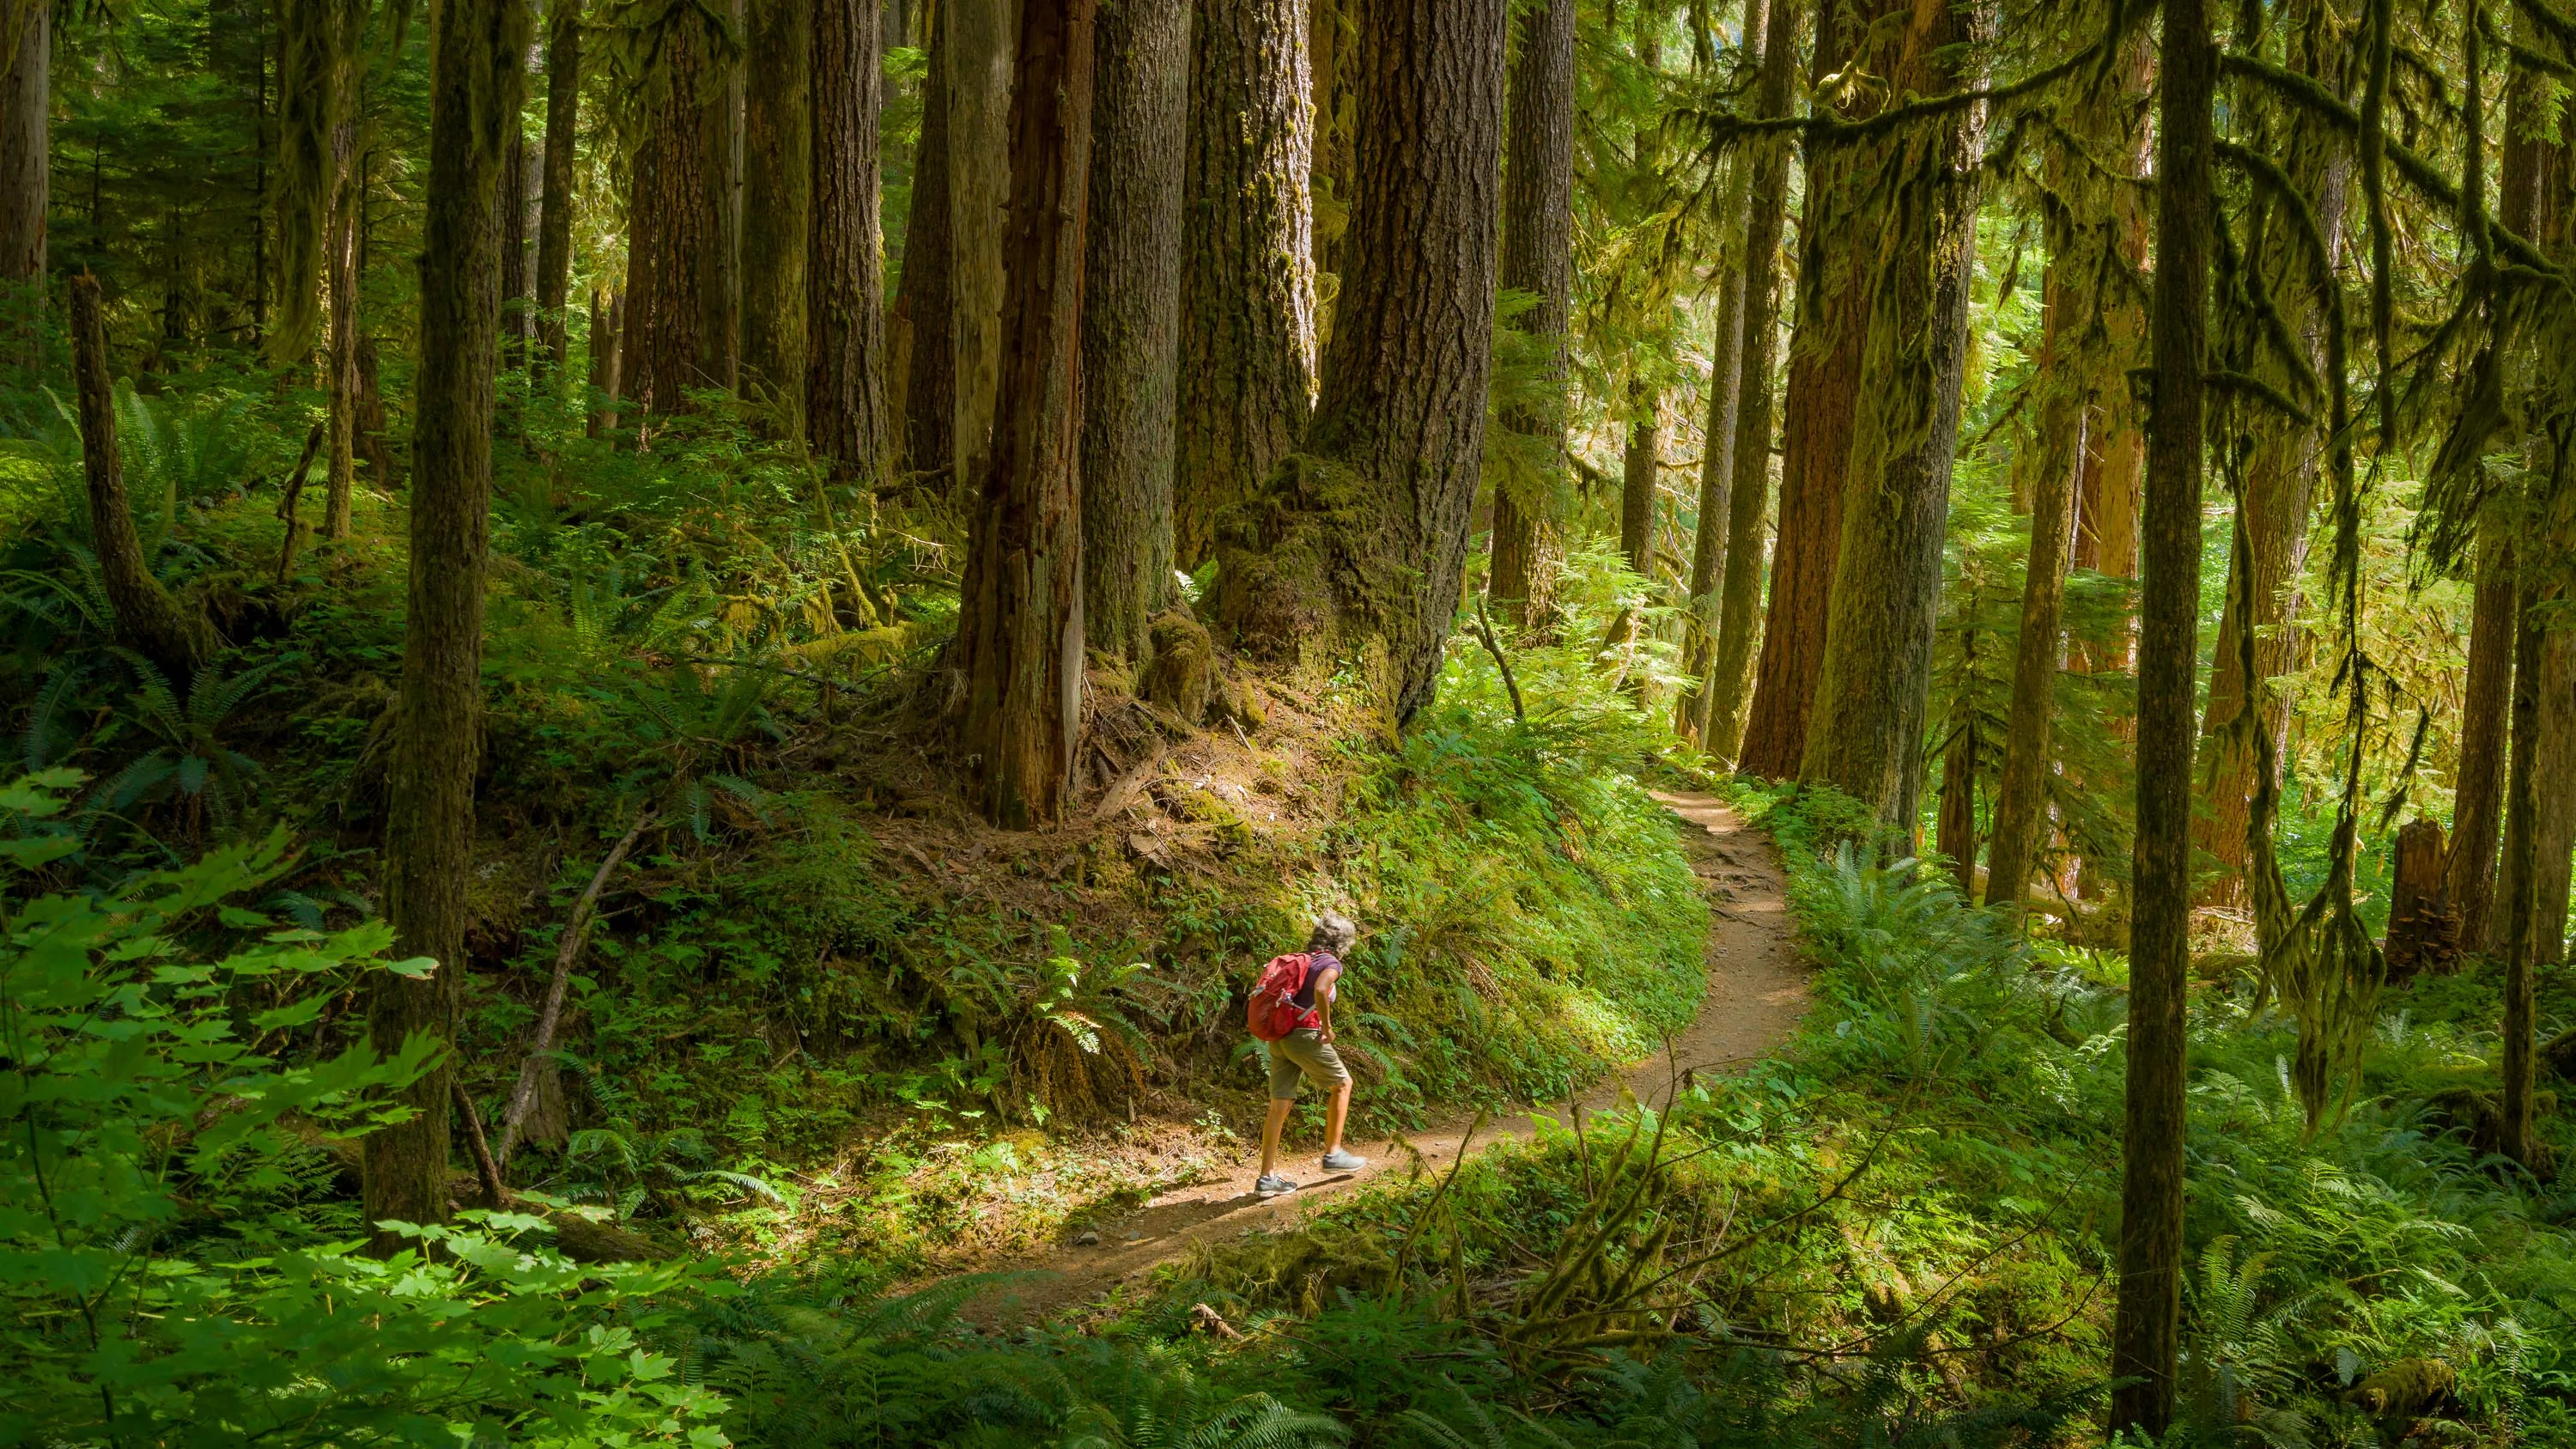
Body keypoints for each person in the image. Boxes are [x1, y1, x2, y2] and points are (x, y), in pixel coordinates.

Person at [1255, 913, 1365, 1195]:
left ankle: (1266, 1178)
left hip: (1279, 1038)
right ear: (1342, 942)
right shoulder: (1330, 963)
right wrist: (1327, 1028)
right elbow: (1320, 988)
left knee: (1279, 1104)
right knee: (1343, 1084)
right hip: (1303, 1035)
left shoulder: (1304, 958)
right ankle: (1333, 1154)